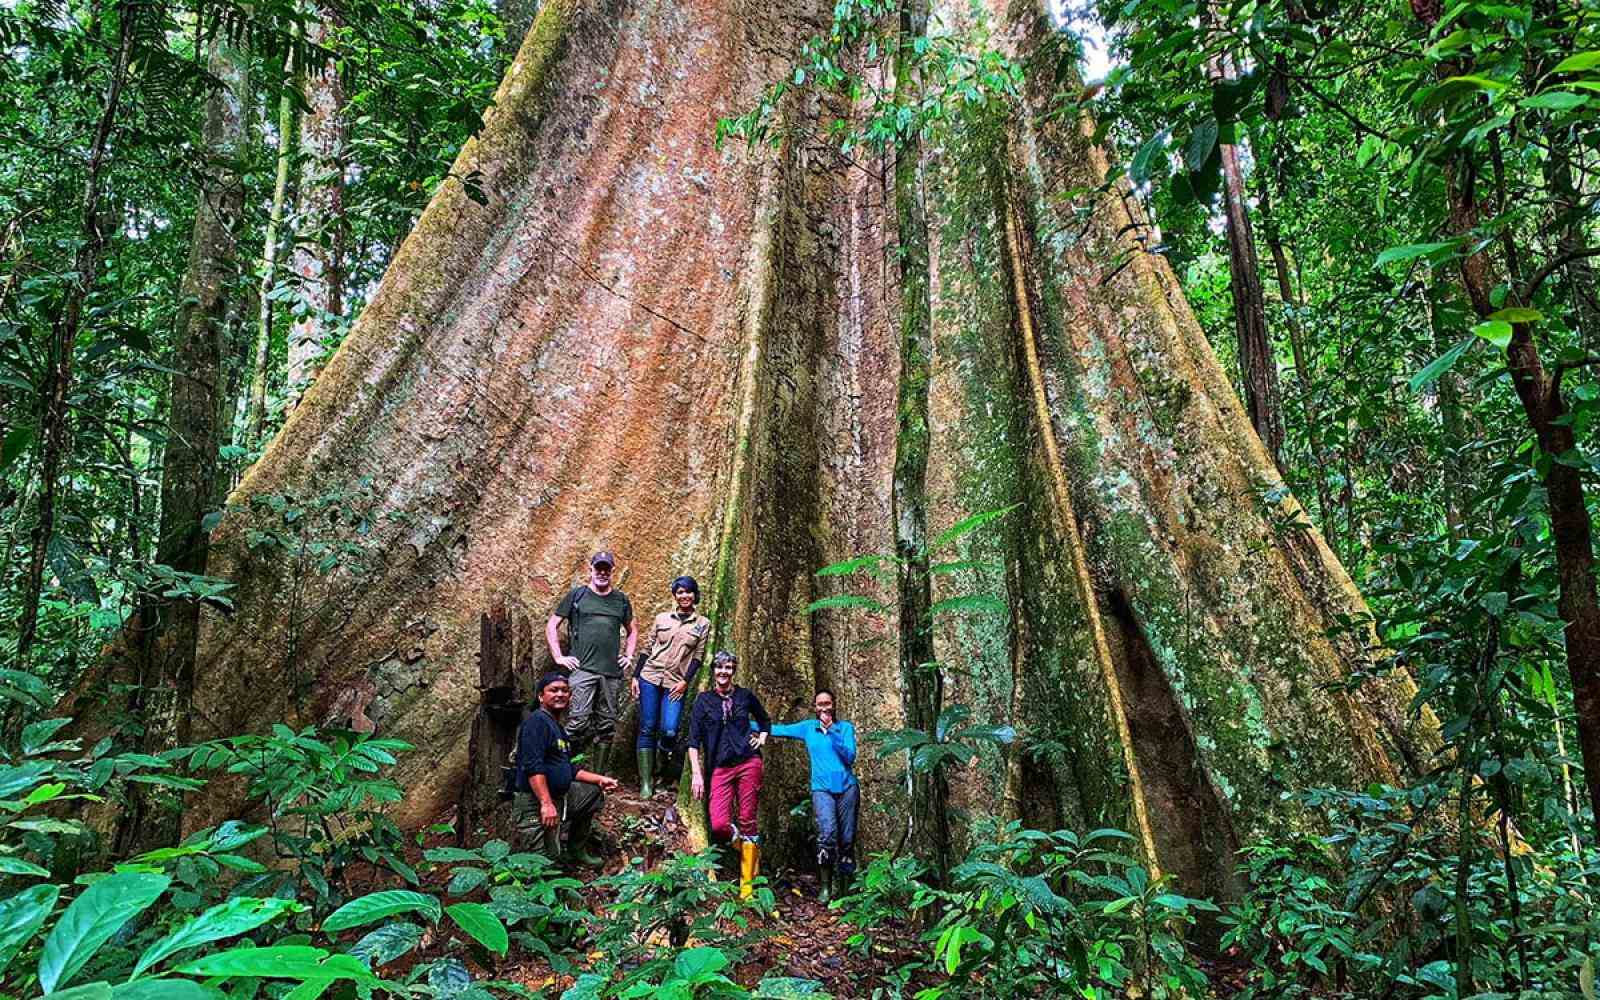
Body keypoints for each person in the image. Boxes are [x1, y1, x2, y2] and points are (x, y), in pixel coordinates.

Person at [687, 651, 771, 898]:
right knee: (719, 824)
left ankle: (747, 888)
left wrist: (762, 738)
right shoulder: (703, 700)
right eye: (720, 668)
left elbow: (764, 720)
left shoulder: (745, 696)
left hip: (748, 762)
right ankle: (745, 847)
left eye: (729, 668)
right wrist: (696, 773)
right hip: (720, 768)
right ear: (713, 670)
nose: (724, 672)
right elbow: (693, 741)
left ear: (734, 671)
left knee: (748, 819)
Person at [546, 550, 637, 777]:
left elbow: (633, 630)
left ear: (612, 571)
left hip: (611, 673)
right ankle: (562, 769)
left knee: (606, 725)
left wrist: (629, 655)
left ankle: (600, 777)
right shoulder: (577, 596)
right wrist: (559, 657)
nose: (602, 573)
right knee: (577, 721)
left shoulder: (621, 600)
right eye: (599, 568)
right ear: (591, 569)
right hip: (582, 670)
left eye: (607, 569)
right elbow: (552, 625)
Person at [513, 671, 620, 862]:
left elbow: (567, 768)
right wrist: (546, 803)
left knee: (592, 792)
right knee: (542, 861)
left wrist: (600, 779)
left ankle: (576, 850)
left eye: (564, 691)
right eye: (553, 690)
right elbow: (533, 766)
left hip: (560, 798)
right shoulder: (536, 722)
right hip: (534, 802)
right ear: (540, 696)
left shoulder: (557, 727)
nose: (560, 694)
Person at [771, 689, 858, 901]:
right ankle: (826, 887)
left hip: (847, 789)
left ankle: (846, 890)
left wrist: (832, 733)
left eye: (827, 703)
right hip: (822, 790)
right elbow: (778, 729)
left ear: (834, 705)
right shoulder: (808, 728)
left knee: (847, 840)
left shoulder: (845, 728)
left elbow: (850, 757)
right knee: (827, 834)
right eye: (820, 704)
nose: (824, 708)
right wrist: (745, 725)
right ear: (815, 707)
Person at [630, 575, 711, 798]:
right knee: (647, 726)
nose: (684, 596)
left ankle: (660, 765)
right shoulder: (662, 618)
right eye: (680, 592)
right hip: (650, 677)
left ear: (695, 595)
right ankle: (646, 782)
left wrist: (686, 681)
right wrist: (636, 676)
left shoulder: (702, 623)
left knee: (669, 730)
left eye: (688, 592)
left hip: (676, 682)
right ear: (674, 595)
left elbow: (698, 656)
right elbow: (647, 648)